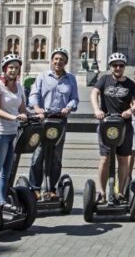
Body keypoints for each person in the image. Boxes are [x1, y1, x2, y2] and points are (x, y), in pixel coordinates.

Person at [27, 48, 79, 199]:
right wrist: (37, 109)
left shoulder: (71, 79)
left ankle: (51, 188)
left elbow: (74, 98)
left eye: (61, 59)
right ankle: (35, 188)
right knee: (38, 154)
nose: (58, 62)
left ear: (66, 62)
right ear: (51, 60)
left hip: (59, 121)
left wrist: (68, 107)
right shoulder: (42, 76)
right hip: (43, 120)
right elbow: (34, 95)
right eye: (56, 59)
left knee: (56, 156)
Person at [90, 52, 135, 203]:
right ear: (110, 67)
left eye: (121, 65)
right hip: (107, 124)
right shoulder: (104, 79)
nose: (118, 68)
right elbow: (94, 93)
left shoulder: (130, 84)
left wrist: (130, 111)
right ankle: (101, 192)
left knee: (123, 159)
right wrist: (97, 110)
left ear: (124, 67)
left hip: (124, 125)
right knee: (105, 159)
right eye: (114, 65)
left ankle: (120, 192)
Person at [0, 54, 28, 210]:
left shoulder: (19, 87)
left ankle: (2, 202)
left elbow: (22, 109)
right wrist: (15, 117)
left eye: (16, 68)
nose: (13, 70)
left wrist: (36, 115)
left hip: (12, 134)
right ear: (5, 69)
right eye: (11, 67)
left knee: (6, 173)